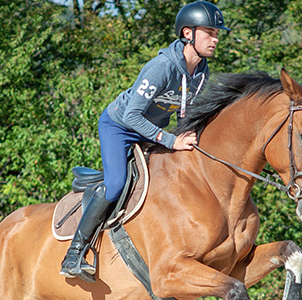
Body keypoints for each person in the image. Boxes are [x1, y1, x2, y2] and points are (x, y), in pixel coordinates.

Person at [60, 1, 230, 279]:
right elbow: (131, 115)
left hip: (153, 131)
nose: (215, 39)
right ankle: (74, 254)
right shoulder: (162, 67)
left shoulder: (201, 71)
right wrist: (171, 140)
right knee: (115, 184)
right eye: (209, 32)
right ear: (188, 33)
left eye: (217, 33)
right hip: (120, 126)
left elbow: (189, 115)